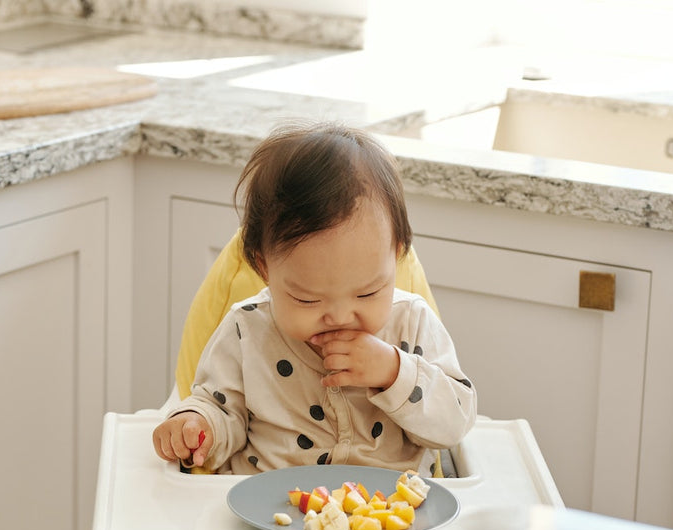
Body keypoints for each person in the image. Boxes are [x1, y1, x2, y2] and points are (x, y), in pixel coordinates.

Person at [152, 121, 477, 474]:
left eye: (367, 292)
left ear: (396, 255)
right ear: (265, 268)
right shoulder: (246, 329)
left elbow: (456, 422)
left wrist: (394, 373)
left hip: (392, 517)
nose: (339, 316)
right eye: (308, 300)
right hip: (270, 511)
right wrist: (197, 425)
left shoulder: (412, 322)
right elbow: (219, 407)